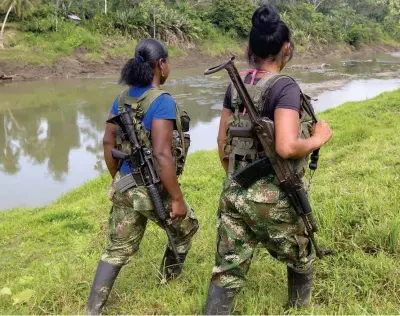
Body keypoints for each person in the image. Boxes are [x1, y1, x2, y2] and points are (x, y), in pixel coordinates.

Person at [203, 5, 333, 315]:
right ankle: (297, 308)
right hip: (275, 196)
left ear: (249, 48)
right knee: (302, 252)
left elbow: (222, 142)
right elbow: (287, 147)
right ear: (286, 48)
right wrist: (319, 137)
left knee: (227, 269)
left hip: (233, 191)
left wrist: (236, 179)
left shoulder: (236, 86)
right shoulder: (285, 87)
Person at [87, 38, 199, 315]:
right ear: (160, 65)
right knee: (186, 228)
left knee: (117, 248)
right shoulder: (161, 101)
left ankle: (93, 309)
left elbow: (107, 143)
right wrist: (177, 199)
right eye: (168, 61)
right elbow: (162, 155)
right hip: (148, 187)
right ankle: (168, 282)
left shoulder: (122, 98)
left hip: (124, 184)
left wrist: (118, 177)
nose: (169, 66)